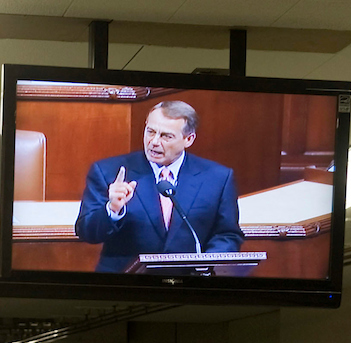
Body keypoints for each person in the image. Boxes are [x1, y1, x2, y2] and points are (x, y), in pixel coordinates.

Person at [75, 100, 244, 273]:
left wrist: (208, 266)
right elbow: (87, 232)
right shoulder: (108, 171)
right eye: (150, 132)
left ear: (189, 139)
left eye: (166, 136)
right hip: (125, 285)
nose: (154, 142)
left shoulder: (217, 177)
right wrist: (112, 210)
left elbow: (227, 235)